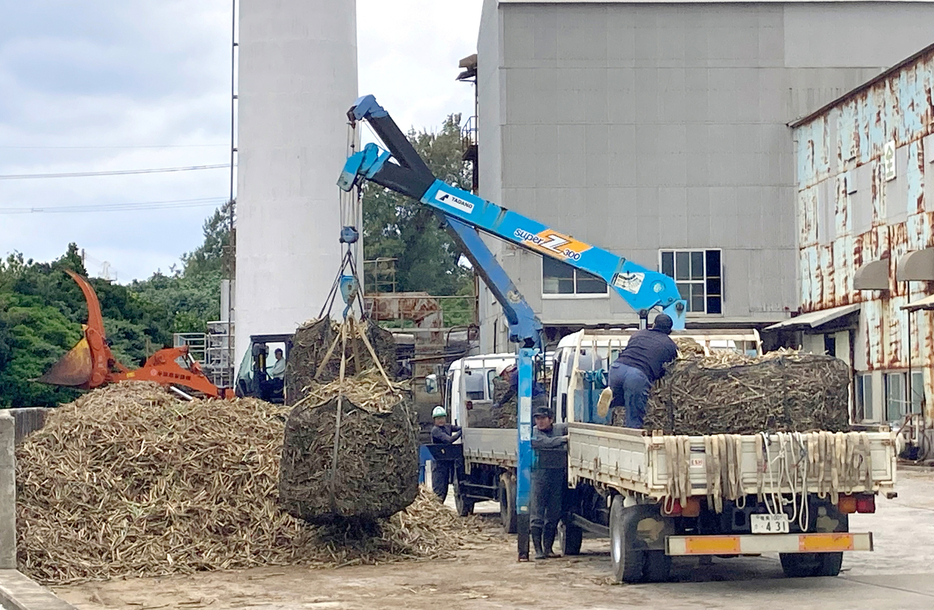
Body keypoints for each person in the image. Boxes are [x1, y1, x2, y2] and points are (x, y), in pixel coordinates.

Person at [608, 313, 678, 428]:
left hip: (617, 367)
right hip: (637, 375)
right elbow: (667, 368)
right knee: (634, 414)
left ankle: (613, 398)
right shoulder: (670, 345)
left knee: (620, 402)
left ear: (653, 324)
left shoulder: (638, 334)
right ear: (669, 331)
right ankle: (632, 438)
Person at [530, 405, 568, 560]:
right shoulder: (534, 432)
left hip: (557, 474)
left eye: (542, 418)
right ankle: (538, 550)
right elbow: (542, 443)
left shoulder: (559, 429)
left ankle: (548, 548)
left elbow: (574, 426)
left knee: (554, 512)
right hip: (539, 475)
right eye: (537, 418)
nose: (539, 422)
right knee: (537, 513)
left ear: (551, 419)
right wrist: (563, 440)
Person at [429, 405, 462, 502]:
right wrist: (460, 432)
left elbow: (457, 427)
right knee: (439, 490)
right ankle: (437, 509)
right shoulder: (435, 430)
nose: (441, 421)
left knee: (446, 488)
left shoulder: (447, 426)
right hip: (438, 465)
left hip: (446, 462)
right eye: (438, 418)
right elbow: (449, 440)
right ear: (434, 420)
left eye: (442, 418)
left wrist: (462, 428)